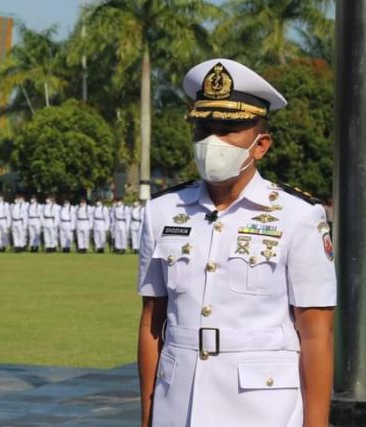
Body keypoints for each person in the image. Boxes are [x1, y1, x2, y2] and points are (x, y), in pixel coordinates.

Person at [137, 58, 336, 427]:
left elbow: (316, 333)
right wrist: (148, 416)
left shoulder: (298, 216)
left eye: (228, 129)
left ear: (260, 145)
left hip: (262, 411)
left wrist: (317, 424)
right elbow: (153, 322)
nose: (213, 141)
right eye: (203, 129)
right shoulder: (162, 212)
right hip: (178, 406)